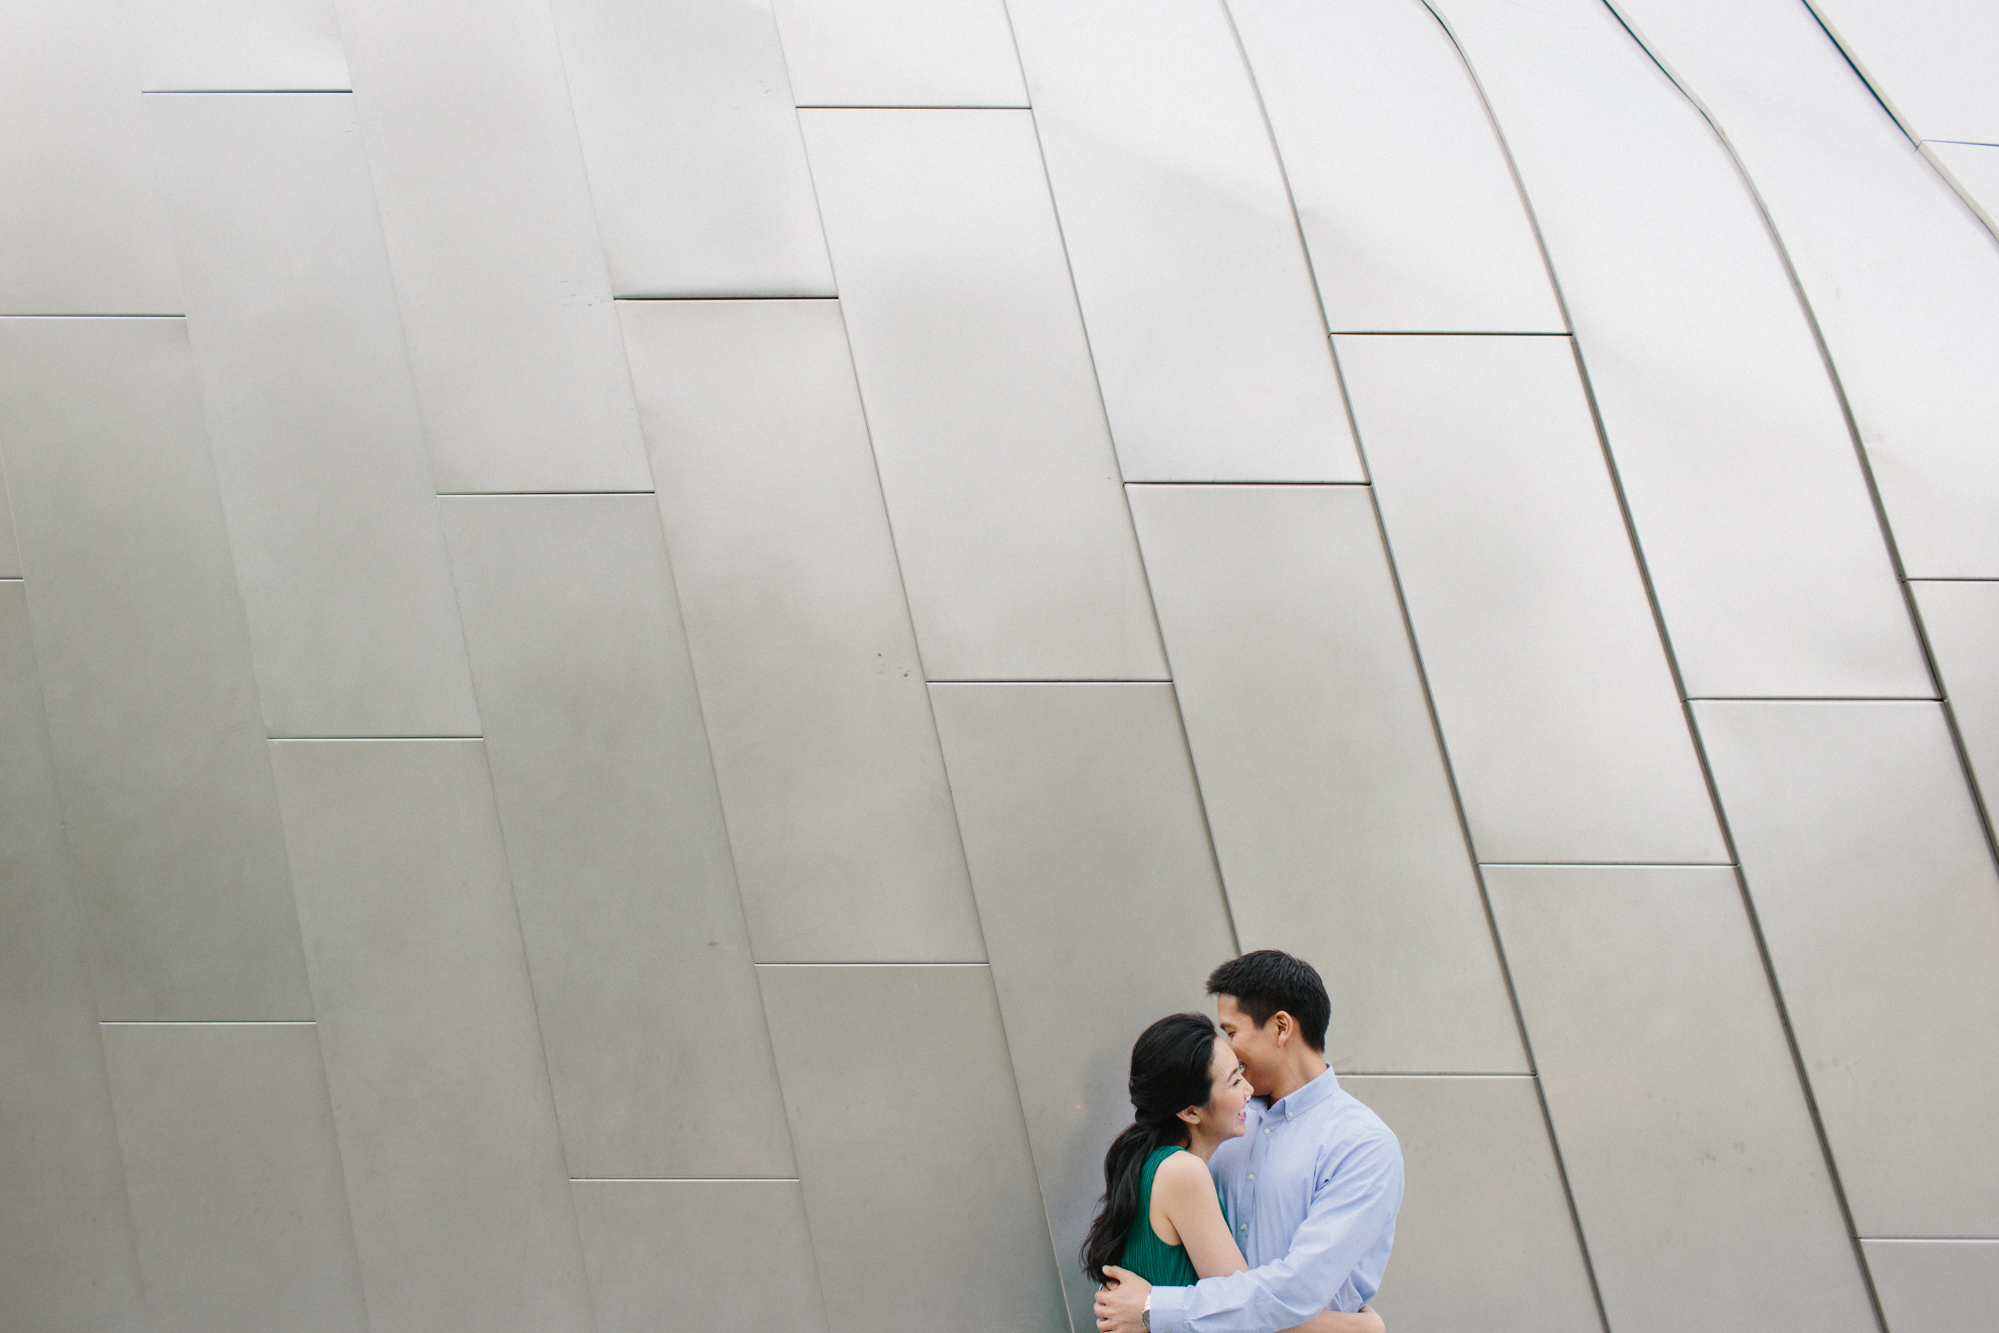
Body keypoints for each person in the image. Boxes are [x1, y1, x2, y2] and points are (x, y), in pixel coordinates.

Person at [1095, 952, 1403, 1333]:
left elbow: (1295, 1292)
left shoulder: (1362, 1145)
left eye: (1232, 1032)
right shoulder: (1222, 1119)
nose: (1226, 1049)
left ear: (1281, 1028)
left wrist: (1155, 1308)